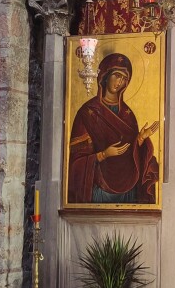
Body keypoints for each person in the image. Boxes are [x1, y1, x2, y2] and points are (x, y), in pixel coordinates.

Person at [67, 53, 159, 204]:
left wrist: (140, 140)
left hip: (129, 187)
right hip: (99, 186)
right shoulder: (87, 112)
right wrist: (103, 155)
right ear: (105, 75)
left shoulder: (128, 114)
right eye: (117, 75)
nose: (119, 81)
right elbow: (76, 159)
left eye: (124, 78)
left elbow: (133, 154)